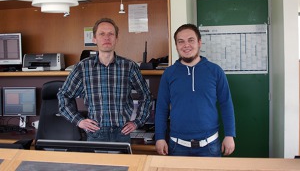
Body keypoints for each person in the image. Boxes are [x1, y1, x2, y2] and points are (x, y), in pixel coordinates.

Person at [57, 18, 152, 143]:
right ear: (94, 39)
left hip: (122, 133)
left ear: (116, 39)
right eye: (102, 34)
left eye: (111, 34)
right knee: (98, 164)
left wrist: (137, 122)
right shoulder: (83, 67)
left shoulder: (129, 66)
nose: (106, 38)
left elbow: (146, 95)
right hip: (96, 133)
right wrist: (79, 121)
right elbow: (63, 95)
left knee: (123, 164)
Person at [155, 23, 236, 157]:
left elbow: (226, 104)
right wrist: (160, 137)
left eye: (191, 40)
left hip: (210, 146)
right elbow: (161, 108)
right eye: (181, 42)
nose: (186, 45)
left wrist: (229, 135)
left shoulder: (215, 71)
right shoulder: (169, 74)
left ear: (199, 43)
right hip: (177, 146)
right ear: (176, 46)